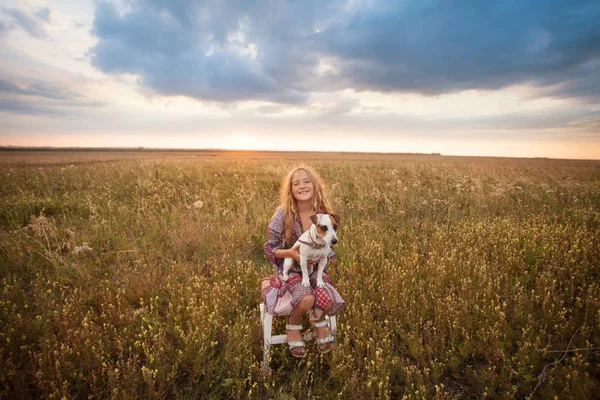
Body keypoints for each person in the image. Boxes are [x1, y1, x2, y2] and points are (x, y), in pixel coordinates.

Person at [262, 165, 345, 358]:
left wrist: (322, 255)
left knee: (327, 298)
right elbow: (269, 248)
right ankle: (293, 323)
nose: (302, 186)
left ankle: (319, 320)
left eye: (307, 181)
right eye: (296, 183)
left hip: (315, 269)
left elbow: (329, 246)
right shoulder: (282, 214)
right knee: (307, 298)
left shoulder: (324, 215)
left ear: (315, 186)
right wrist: (291, 253)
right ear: (290, 189)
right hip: (289, 269)